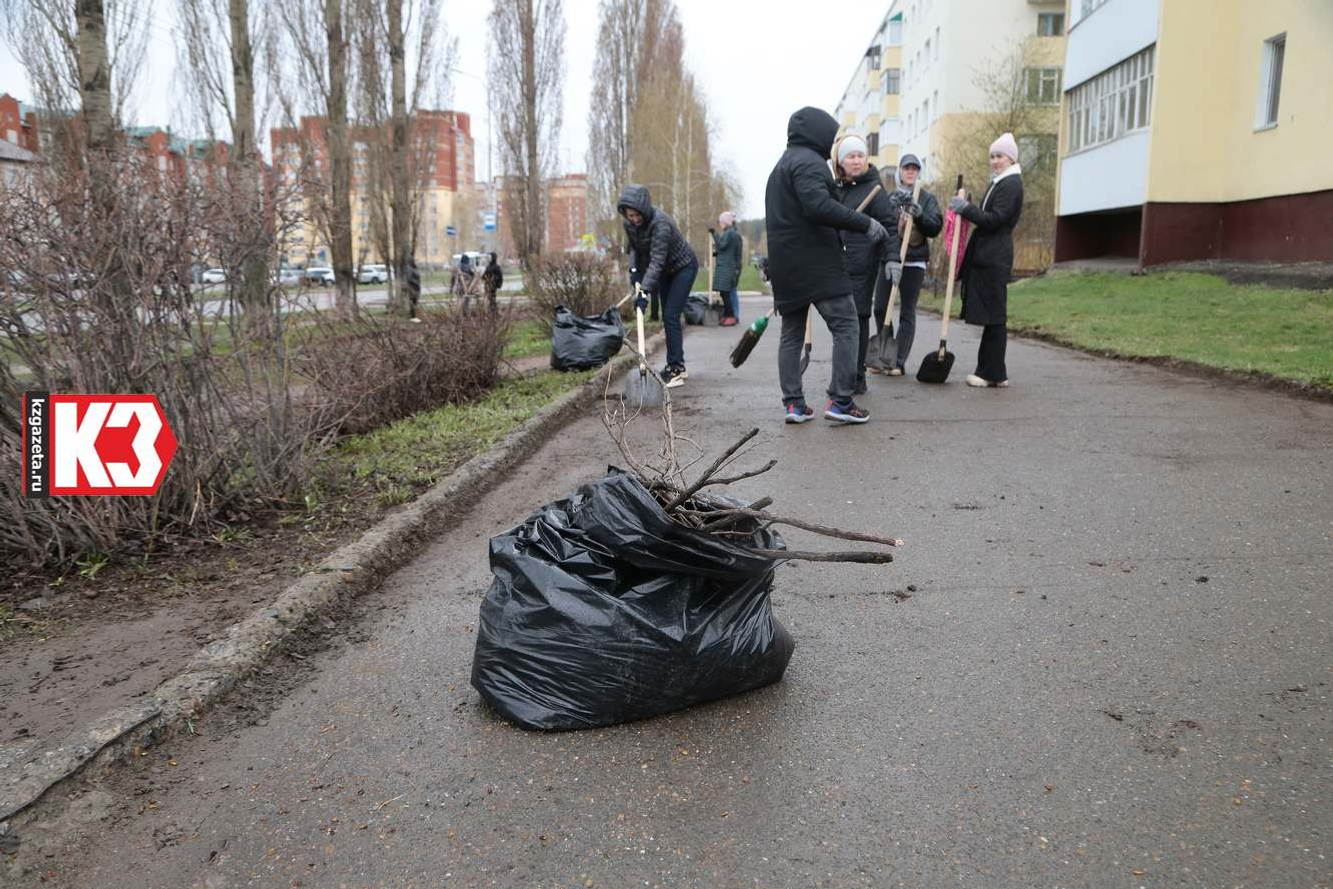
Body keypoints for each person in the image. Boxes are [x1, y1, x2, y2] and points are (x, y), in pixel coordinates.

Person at [765, 106, 889, 425]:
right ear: (817, 134)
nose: (832, 143)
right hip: (817, 263)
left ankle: (794, 405)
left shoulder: (779, 168)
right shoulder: (809, 163)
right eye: (831, 137)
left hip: (786, 267)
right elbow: (818, 206)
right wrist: (865, 223)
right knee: (846, 324)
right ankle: (842, 400)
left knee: (791, 334)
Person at [951, 132, 1024, 388]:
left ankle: (990, 373)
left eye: (999, 156)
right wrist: (969, 207)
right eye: (992, 156)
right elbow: (988, 214)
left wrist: (967, 209)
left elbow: (996, 219)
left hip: (995, 255)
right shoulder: (1001, 182)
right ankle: (993, 371)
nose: (995, 161)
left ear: (1011, 158)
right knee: (993, 314)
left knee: (994, 315)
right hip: (989, 253)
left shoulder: (1011, 184)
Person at [833, 134, 900, 395]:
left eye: (860, 156)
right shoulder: (837, 188)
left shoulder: (874, 189)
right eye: (851, 156)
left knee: (858, 319)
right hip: (838, 264)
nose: (856, 161)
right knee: (842, 322)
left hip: (863, 263)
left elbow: (890, 226)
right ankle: (844, 376)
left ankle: (856, 378)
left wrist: (892, 257)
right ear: (841, 162)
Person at [618, 184, 700, 388]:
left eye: (637, 215)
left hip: (683, 268)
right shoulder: (629, 224)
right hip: (664, 271)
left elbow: (657, 259)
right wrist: (635, 272)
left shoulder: (660, 223)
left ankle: (676, 368)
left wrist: (644, 292)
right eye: (630, 215)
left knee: (671, 315)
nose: (634, 219)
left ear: (644, 209)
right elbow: (634, 249)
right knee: (667, 317)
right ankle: (677, 364)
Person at [877, 153, 942, 376]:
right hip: (890, 260)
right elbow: (880, 223)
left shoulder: (927, 198)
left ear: (919, 172)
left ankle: (898, 361)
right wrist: (890, 209)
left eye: (915, 168)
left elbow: (935, 227)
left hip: (914, 261)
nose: (911, 171)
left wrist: (921, 216)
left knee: (907, 311)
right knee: (880, 308)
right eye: (907, 168)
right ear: (900, 171)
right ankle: (885, 355)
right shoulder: (891, 196)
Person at [710, 211, 743, 326]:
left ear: (726, 222)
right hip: (731, 267)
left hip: (728, 267)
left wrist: (714, 234)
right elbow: (726, 249)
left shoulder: (730, 234)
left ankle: (732, 316)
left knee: (727, 293)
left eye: (721, 222)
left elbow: (722, 245)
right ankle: (730, 315)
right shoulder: (732, 233)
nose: (720, 224)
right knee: (727, 292)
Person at [405, 255, 422, 321]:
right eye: (414, 260)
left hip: (416, 288)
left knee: (414, 302)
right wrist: (416, 283)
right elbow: (409, 278)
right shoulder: (409, 268)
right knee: (413, 302)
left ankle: (414, 316)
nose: (415, 261)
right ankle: (413, 317)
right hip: (413, 288)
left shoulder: (413, 268)